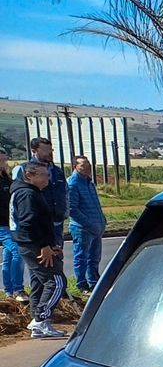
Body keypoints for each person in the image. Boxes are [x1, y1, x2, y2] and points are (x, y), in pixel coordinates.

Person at [11, 161, 69, 339]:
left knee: (39, 282)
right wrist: (44, 246)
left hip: (36, 244)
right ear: (30, 176)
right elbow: (29, 223)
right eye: (43, 175)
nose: (48, 179)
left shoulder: (32, 192)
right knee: (57, 281)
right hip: (34, 246)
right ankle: (40, 319)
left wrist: (52, 245)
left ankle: (39, 322)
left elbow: (41, 222)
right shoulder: (27, 194)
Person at [13, 137, 66, 250]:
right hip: (37, 224)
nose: (49, 153)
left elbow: (65, 192)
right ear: (34, 151)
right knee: (41, 261)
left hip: (56, 221)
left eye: (51, 149)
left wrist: (65, 212)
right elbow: (16, 196)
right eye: (45, 149)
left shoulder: (57, 171)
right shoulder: (24, 169)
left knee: (57, 257)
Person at [66, 155, 106, 291]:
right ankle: (82, 284)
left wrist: (102, 221)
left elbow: (96, 205)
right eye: (83, 165)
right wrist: (89, 224)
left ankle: (94, 282)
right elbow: (72, 209)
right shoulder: (73, 184)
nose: (87, 167)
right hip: (82, 228)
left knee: (94, 258)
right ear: (75, 167)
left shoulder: (89, 183)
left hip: (96, 227)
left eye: (88, 163)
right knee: (81, 257)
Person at [0, 155, 24, 302]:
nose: (5, 161)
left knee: (8, 256)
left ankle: (8, 290)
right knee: (17, 251)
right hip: (1, 226)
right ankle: (18, 289)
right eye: (2, 159)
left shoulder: (6, 179)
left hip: (12, 223)